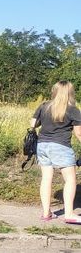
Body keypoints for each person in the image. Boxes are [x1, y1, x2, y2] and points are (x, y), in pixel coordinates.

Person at [30, 80, 81, 223]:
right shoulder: (73, 110)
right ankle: (69, 214)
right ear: (70, 92)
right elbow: (79, 134)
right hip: (61, 147)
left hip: (42, 145)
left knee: (46, 178)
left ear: (55, 91)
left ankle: (46, 213)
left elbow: (33, 124)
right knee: (70, 180)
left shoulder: (44, 106)